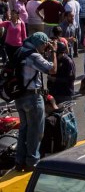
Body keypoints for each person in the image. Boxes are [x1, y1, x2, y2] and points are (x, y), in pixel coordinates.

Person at [13, 32, 56, 171]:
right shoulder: (34, 55)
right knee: (36, 131)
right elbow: (52, 69)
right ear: (39, 43)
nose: (45, 47)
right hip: (32, 97)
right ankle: (32, 161)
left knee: (24, 129)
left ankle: (19, 161)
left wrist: (45, 52)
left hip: (18, 96)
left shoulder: (20, 51)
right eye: (44, 44)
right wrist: (54, 51)